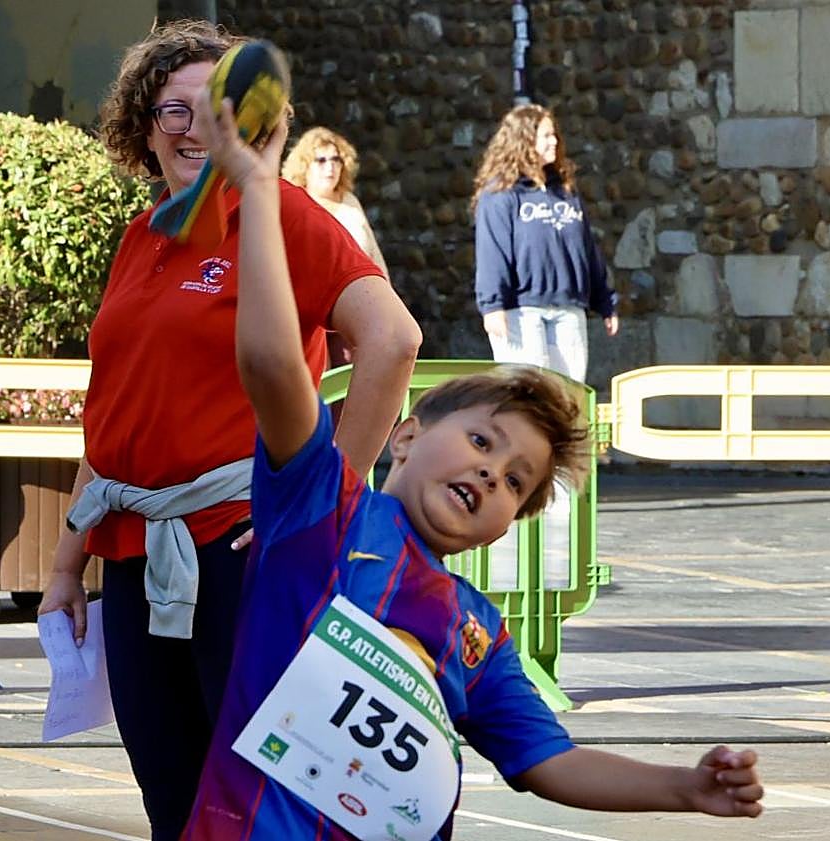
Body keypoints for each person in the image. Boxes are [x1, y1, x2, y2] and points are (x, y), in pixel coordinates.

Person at [179, 84, 764, 840]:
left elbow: (547, 759)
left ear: (505, 526)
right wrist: (259, 189)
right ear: (406, 435)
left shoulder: (476, 630)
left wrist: (684, 787)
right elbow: (268, 362)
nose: (493, 474)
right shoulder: (321, 510)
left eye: (516, 481)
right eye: (484, 443)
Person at [35, 21, 420, 841]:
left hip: (242, 550)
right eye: (174, 112)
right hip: (137, 557)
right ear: (144, 128)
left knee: (258, 799)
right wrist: (67, 563)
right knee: (169, 793)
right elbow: (113, 416)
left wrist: (323, 503)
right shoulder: (143, 238)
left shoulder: (280, 214)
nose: (195, 131)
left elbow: (393, 340)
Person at [472, 104, 619, 384]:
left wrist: (605, 301)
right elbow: (492, 251)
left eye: (555, 135)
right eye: (546, 135)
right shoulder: (501, 194)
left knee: (567, 395)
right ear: (525, 140)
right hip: (521, 310)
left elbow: (587, 249)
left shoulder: (564, 191)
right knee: (526, 395)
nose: (554, 141)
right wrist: (492, 306)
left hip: (568, 307)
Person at [283, 126, 388, 278]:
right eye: (321, 160)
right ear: (304, 166)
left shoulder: (349, 200)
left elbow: (375, 255)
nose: (330, 167)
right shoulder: (295, 205)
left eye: (335, 159)